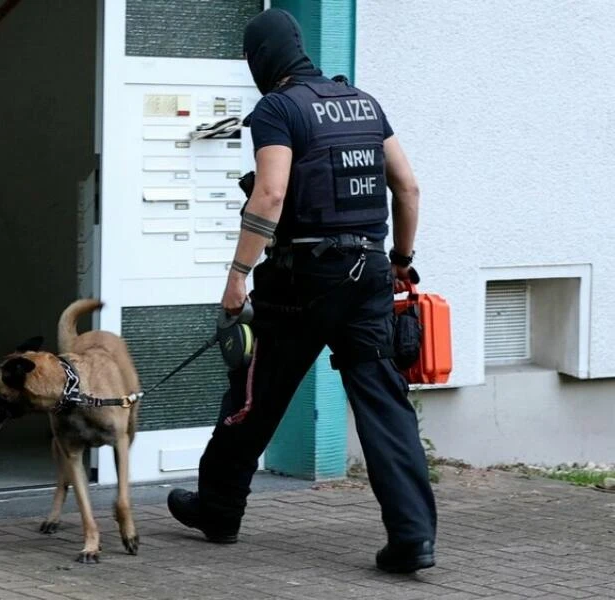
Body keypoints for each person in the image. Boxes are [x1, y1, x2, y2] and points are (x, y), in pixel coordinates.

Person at [167, 8, 437, 573]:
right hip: (368, 273)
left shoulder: (278, 109)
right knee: (384, 404)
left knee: (256, 390)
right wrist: (402, 262)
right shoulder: (363, 102)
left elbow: (269, 195)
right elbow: (407, 187)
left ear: (262, 59)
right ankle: (413, 536)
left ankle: (219, 508)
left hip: (301, 280)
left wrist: (237, 276)